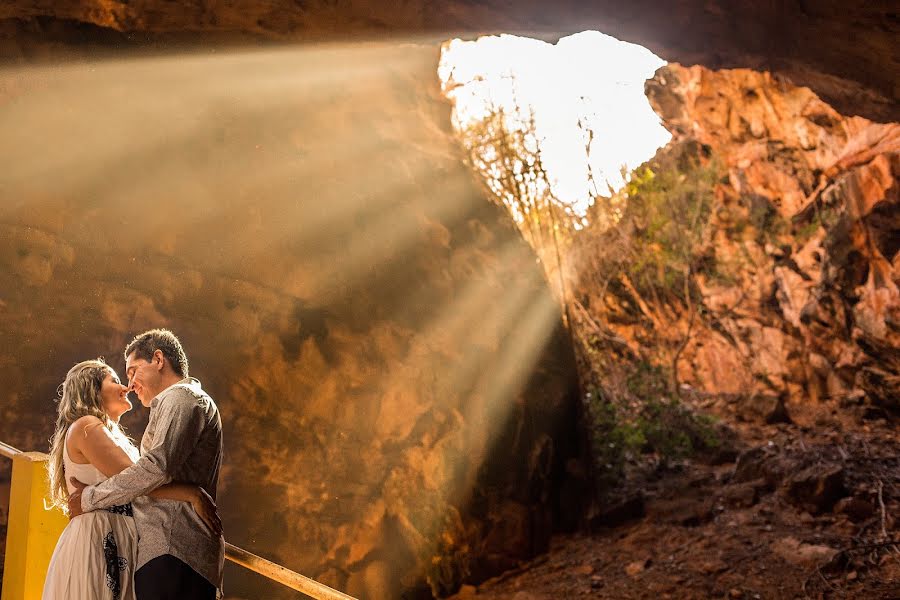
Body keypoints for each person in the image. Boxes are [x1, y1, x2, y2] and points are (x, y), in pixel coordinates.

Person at [43, 359, 219, 600]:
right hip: (100, 536)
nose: (126, 386)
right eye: (115, 380)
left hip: (119, 534)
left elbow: (139, 478)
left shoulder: (106, 431)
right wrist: (190, 493)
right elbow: (139, 480)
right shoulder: (87, 426)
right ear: (92, 389)